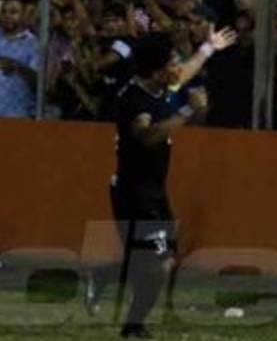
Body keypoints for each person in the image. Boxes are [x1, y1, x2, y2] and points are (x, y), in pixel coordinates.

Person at [86, 27, 236, 338]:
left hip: (153, 191)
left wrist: (209, 47)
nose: (177, 67)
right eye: (172, 62)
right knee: (159, 264)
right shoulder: (136, 100)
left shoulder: (159, 85)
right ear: (156, 72)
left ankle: (126, 313)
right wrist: (187, 111)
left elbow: (187, 70)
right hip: (132, 192)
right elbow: (146, 135)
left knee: (156, 263)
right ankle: (122, 304)